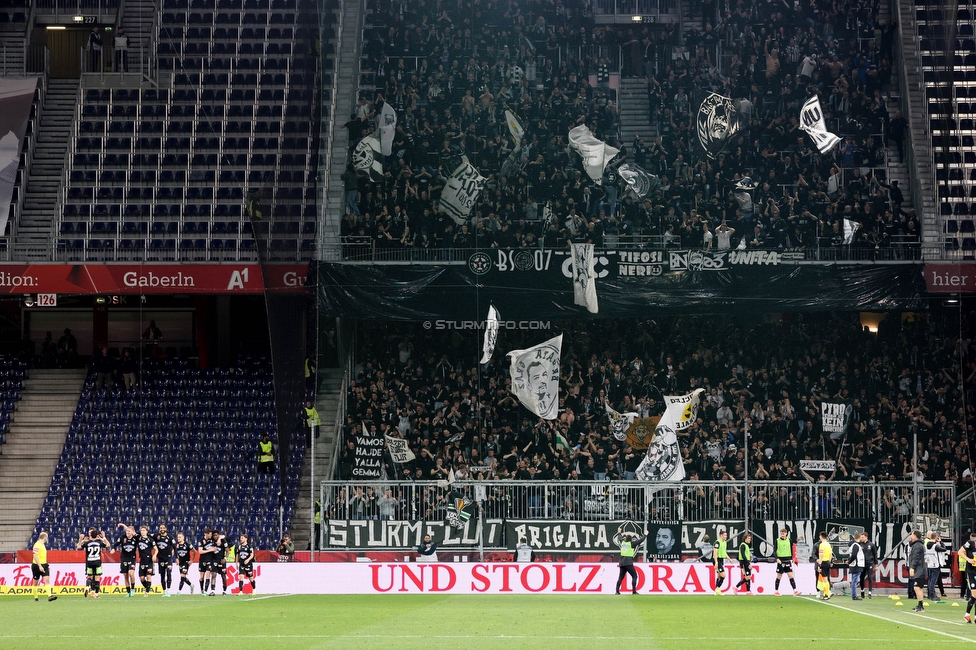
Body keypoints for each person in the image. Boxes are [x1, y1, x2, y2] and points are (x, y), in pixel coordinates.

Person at [613, 526, 647, 595]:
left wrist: (619, 532)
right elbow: (640, 540)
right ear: (631, 539)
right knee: (634, 576)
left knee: (620, 577)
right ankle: (634, 591)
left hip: (622, 563)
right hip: (628, 563)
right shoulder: (631, 544)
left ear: (625, 538)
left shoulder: (623, 542)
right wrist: (645, 534)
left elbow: (619, 538)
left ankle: (617, 591)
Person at [77, 527, 108, 598]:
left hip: (89, 562)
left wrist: (81, 540)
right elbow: (108, 545)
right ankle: (95, 593)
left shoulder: (87, 542)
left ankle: (88, 587)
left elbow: (78, 547)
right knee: (97, 578)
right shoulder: (99, 542)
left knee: (90, 577)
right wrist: (103, 538)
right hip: (97, 562)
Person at [32, 531, 57, 602]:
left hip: (44, 565)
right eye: (47, 537)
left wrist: (46, 564)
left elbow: (42, 556)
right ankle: (36, 597)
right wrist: (40, 566)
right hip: (36, 565)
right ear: (44, 537)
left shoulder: (42, 545)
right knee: (35, 583)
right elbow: (35, 556)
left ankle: (50, 596)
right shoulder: (37, 545)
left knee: (47, 580)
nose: (47, 539)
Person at [774, 528, 800, 596]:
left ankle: (795, 590)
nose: (782, 534)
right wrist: (777, 558)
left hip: (788, 560)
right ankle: (776, 591)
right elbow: (774, 550)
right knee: (779, 576)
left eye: (783, 533)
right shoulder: (777, 540)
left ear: (786, 533)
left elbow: (792, 548)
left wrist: (793, 557)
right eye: (781, 533)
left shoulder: (789, 540)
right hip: (781, 560)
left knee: (790, 575)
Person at [115, 523, 138, 597]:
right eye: (127, 531)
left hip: (132, 558)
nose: (127, 533)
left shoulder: (136, 538)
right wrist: (113, 548)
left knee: (131, 574)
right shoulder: (123, 537)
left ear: (133, 532)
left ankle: (133, 589)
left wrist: (123, 525)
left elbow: (141, 536)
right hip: (124, 558)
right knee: (125, 575)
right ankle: (128, 592)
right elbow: (116, 544)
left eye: (129, 531)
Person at [924, 531, 947, 602]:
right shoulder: (935, 546)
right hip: (935, 565)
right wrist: (941, 542)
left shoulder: (926, 545)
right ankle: (932, 595)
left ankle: (930, 595)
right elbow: (944, 549)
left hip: (929, 564)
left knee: (930, 581)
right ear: (936, 538)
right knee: (933, 581)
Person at [907, 530, 927, 612]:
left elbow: (915, 558)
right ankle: (920, 605)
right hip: (920, 569)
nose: (910, 536)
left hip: (919, 569)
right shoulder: (917, 545)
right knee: (919, 587)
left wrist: (912, 567)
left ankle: (920, 605)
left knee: (917, 587)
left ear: (915, 536)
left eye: (912, 534)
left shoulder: (917, 546)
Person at [136, 525, 158, 597]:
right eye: (141, 530)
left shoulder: (150, 540)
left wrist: (154, 555)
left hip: (149, 560)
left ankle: (147, 592)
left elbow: (156, 549)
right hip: (142, 560)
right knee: (142, 578)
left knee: (149, 576)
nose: (142, 532)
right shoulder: (138, 538)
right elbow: (130, 531)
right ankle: (147, 588)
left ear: (147, 531)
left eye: (144, 530)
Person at [959, 532, 976, 622]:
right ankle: (967, 614)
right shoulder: (970, 543)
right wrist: (969, 559)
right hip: (971, 571)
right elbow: (960, 552)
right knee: (974, 594)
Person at [154, 524, 174, 597]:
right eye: (161, 528)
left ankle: (168, 590)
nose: (162, 529)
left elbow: (174, 547)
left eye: (163, 528)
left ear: (166, 528)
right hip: (161, 559)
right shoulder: (157, 536)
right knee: (162, 575)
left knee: (169, 573)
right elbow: (147, 536)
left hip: (168, 559)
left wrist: (176, 557)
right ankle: (164, 591)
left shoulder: (170, 537)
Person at [859, 531, 878, 599]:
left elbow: (875, 555)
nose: (861, 538)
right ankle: (862, 591)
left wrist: (876, 564)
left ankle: (870, 592)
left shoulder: (871, 545)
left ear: (866, 537)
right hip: (862, 563)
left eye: (862, 537)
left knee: (870, 577)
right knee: (861, 577)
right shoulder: (860, 544)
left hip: (870, 563)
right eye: (861, 537)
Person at [198, 528, 215, 594]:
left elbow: (223, 536)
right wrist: (210, 550)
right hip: (202, 560)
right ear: (206, 534)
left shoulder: (212, 540)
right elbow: (200, 551)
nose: (211, 535)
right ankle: (202, 590)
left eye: (211, 534)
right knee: (201, 577)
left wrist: (219, 539)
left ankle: (205, 591)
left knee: (208, 575)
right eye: (210, 534)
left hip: (209, 560)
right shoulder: (201, 541)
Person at [848, 532, 864, 600]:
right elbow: (854, 555)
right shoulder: (856, 545)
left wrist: (849, 561)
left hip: (855, 565)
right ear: (859, 537)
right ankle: (854, 595)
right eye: (861, 537)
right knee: (855, 581)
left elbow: (852, 555)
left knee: (854, 580)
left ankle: (854, 595)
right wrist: (849, 561)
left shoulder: (854, 545)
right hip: (857, 565)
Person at [816, 531, 833, 600]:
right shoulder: (828, 544)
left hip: (823, 562)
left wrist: (819, 564)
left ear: (821, 536)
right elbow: (831, 555)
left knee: (825, 579)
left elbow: (821, 555)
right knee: (826, 579)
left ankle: (827, 594)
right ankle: (826, 593)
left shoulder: (822, 545)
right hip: (827, 562)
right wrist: (829, 562)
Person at [713, 530, 729, 594]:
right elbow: (715, 553)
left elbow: (724, 552)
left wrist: (729, 559)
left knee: (719, 576)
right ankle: (718, 588)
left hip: (721, 559)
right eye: (725, 535)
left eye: (726, 535)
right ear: (721, 535)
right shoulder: (717, 542)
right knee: (723, 575)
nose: (726, 536)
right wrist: (716, 562)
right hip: (717, 559)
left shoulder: (725, 542)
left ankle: (716, 591)